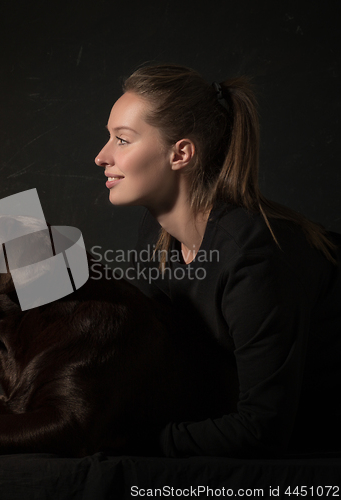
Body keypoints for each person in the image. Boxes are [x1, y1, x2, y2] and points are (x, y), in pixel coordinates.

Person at [94, 64, 341, 458]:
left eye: (122, 140)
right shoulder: (157, 236)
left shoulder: (254, 256)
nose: (101, 156)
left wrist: (133, 441)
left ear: (181, 153)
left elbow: (263, 429)